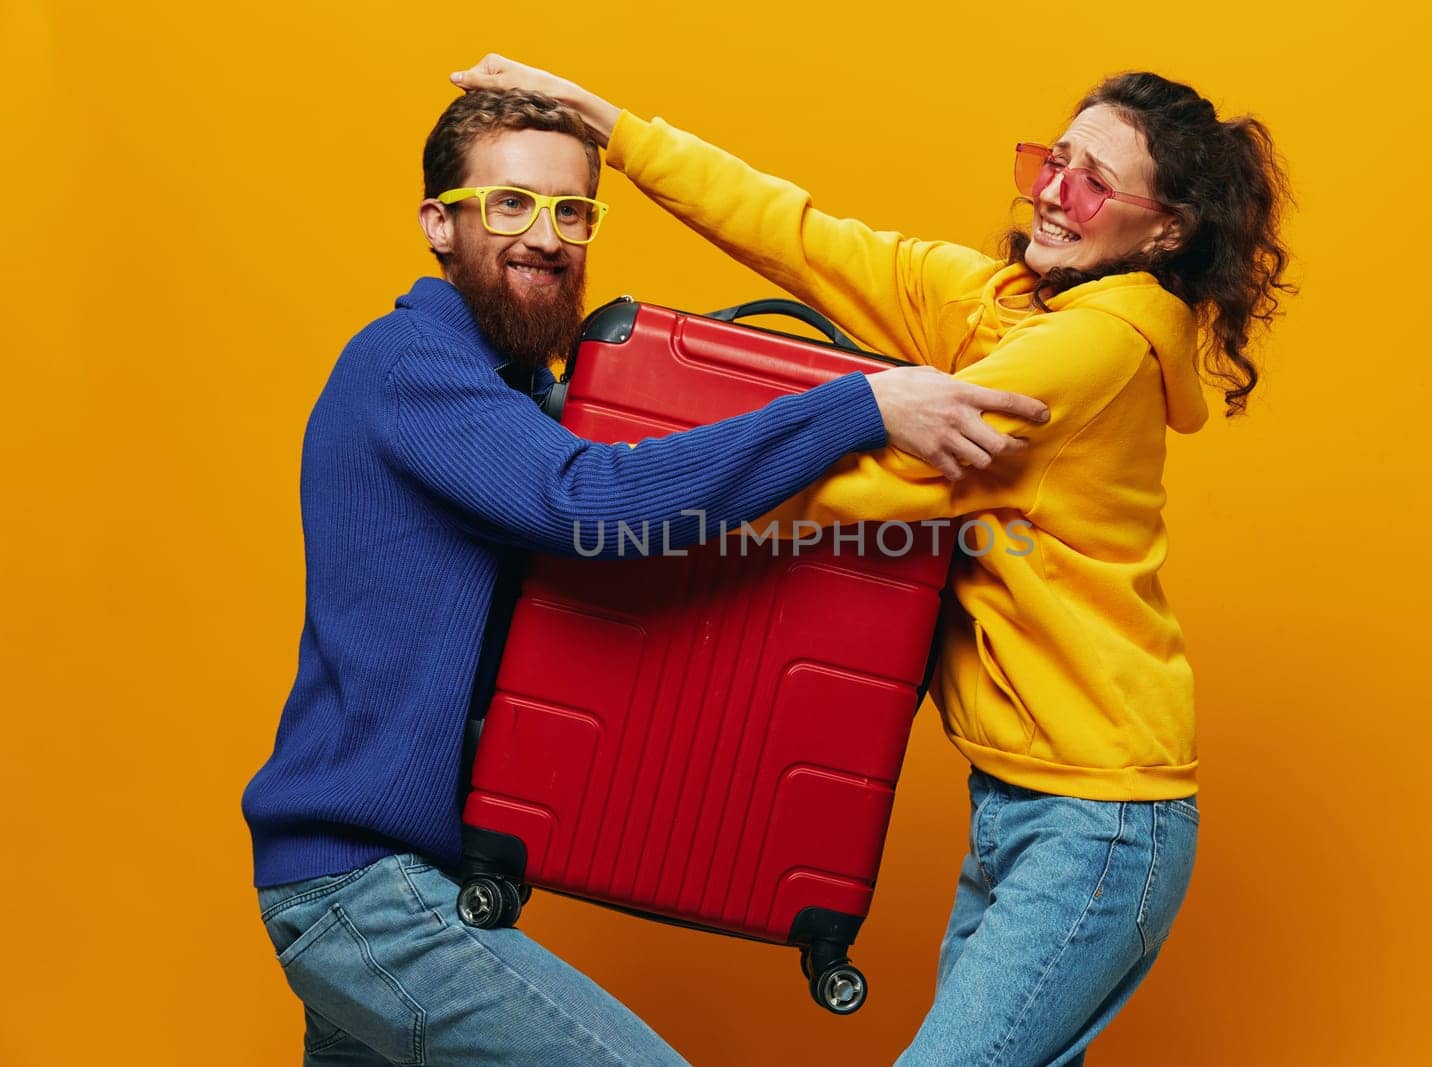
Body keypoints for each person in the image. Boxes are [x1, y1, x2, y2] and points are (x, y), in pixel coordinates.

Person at [449, 55, 1293, 1066]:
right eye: (1052, 160)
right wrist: (615, 132)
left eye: (1094, 181)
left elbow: (872, 481)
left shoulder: (1091, 353)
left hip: (1099, 821)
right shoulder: (1004, 305)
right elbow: (806, 240)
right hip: (1027, 802)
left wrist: (622, 495)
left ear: (1165, 231)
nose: (1053, 195)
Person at [240, 88, 1051, 1066]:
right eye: (509, 204)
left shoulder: (512, 399)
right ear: (438, 224)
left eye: (571, 211)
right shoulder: (408, 366)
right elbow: (592, 503)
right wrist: (862, 406)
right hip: (367, 892)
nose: (545, 236)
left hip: (391, 888)